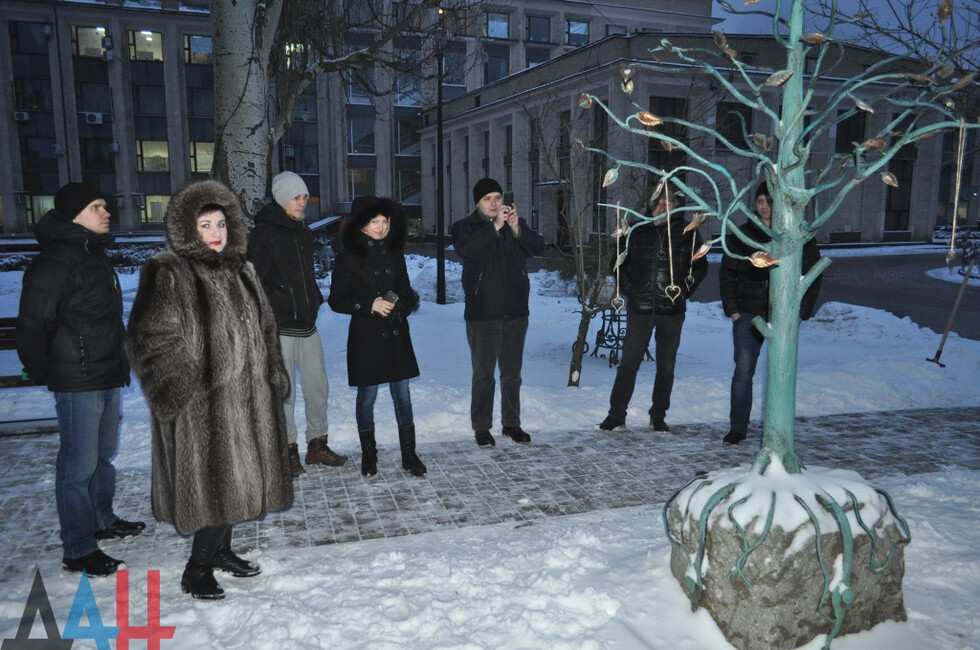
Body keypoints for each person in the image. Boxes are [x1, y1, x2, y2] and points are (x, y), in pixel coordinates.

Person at [126, 179, 294, 599]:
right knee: (217, 484)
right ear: (188, 229)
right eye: (205, 225)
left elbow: (266, 327)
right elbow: (149, 338)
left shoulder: (243, 271)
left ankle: (221, 551)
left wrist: (273, 371)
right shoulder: (169, 271)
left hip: (250, 399)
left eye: (221, 223)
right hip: (204, 407)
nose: (216, 232)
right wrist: (186, 388)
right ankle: (197, 568)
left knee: (239, 480)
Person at [16, 182, 145, 577]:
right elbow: (34, 323)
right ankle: (78, 548)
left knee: (102, 455)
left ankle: (101, 519)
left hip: (106, 371)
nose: (107, 212)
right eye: (96, 207)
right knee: (77, 466)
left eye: (104, 205)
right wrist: (46, 369)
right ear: (75, 215)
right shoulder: (56, 261)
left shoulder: (93, 253)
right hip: (78, 378)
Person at [248, 171, 347, 476]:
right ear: (281, 199)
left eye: (304, 197)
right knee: (285, 393)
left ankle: (316, 445)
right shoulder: (263, 234)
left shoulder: (303, 231)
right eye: (296, 197)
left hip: (307, 324)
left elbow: (304, 276)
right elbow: (253, 281)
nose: (302, 202)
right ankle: (287, 451)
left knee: (318, 387)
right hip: (279, 327)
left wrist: (313, 299)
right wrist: (280, 302)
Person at [596, 185, 708, 433]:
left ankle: (658, 415)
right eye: (658, 203)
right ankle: (616, 415)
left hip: (672, 311)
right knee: (628, 365)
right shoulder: (637, 230)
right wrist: (630, 289)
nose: (662, 208)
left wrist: (685, 290)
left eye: (668, 204)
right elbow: (618, 263)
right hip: (641, 309)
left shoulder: (688, 232)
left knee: (666, 368)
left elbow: (700, 265)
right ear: (651, 205)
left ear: (675, 207)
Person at [327, 197, 426, 477]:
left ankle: (409, 455)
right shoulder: (348, 256)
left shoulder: (395, 252)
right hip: (366, 336)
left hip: (396, 334)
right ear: (361, 225)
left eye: (385, 221)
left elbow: (406, 290)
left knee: (402, 395)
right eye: (374, 222)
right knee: (367, 396)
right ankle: (369, 455)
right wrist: (369, 304)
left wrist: (402, 304)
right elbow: (336, 300)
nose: (381, 227)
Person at [719, 182, 822, 444]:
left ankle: (780, 429)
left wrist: (801, 312)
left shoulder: (797, 235)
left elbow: (814, 274)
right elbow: (727, 273)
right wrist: (733, 310)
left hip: (784, 315)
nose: (765, 206)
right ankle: (738, 428)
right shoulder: (743, 235)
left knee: (782, 374)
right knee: (743, 374)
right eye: (760, 201)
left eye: (770, 201)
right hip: (748, 315)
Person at [452, 178, 545, 447]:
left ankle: (511, 423)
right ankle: (482, 427)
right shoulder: (464, 227)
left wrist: (516, 229)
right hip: (483, 312)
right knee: (483, 375)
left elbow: (538, 247)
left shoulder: (515, 224)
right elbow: (467, 250)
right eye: (487, 199)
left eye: (497, 197)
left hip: (516, 311)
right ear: (477, 202)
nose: (494, 203)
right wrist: (495, 227)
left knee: (512, 374)